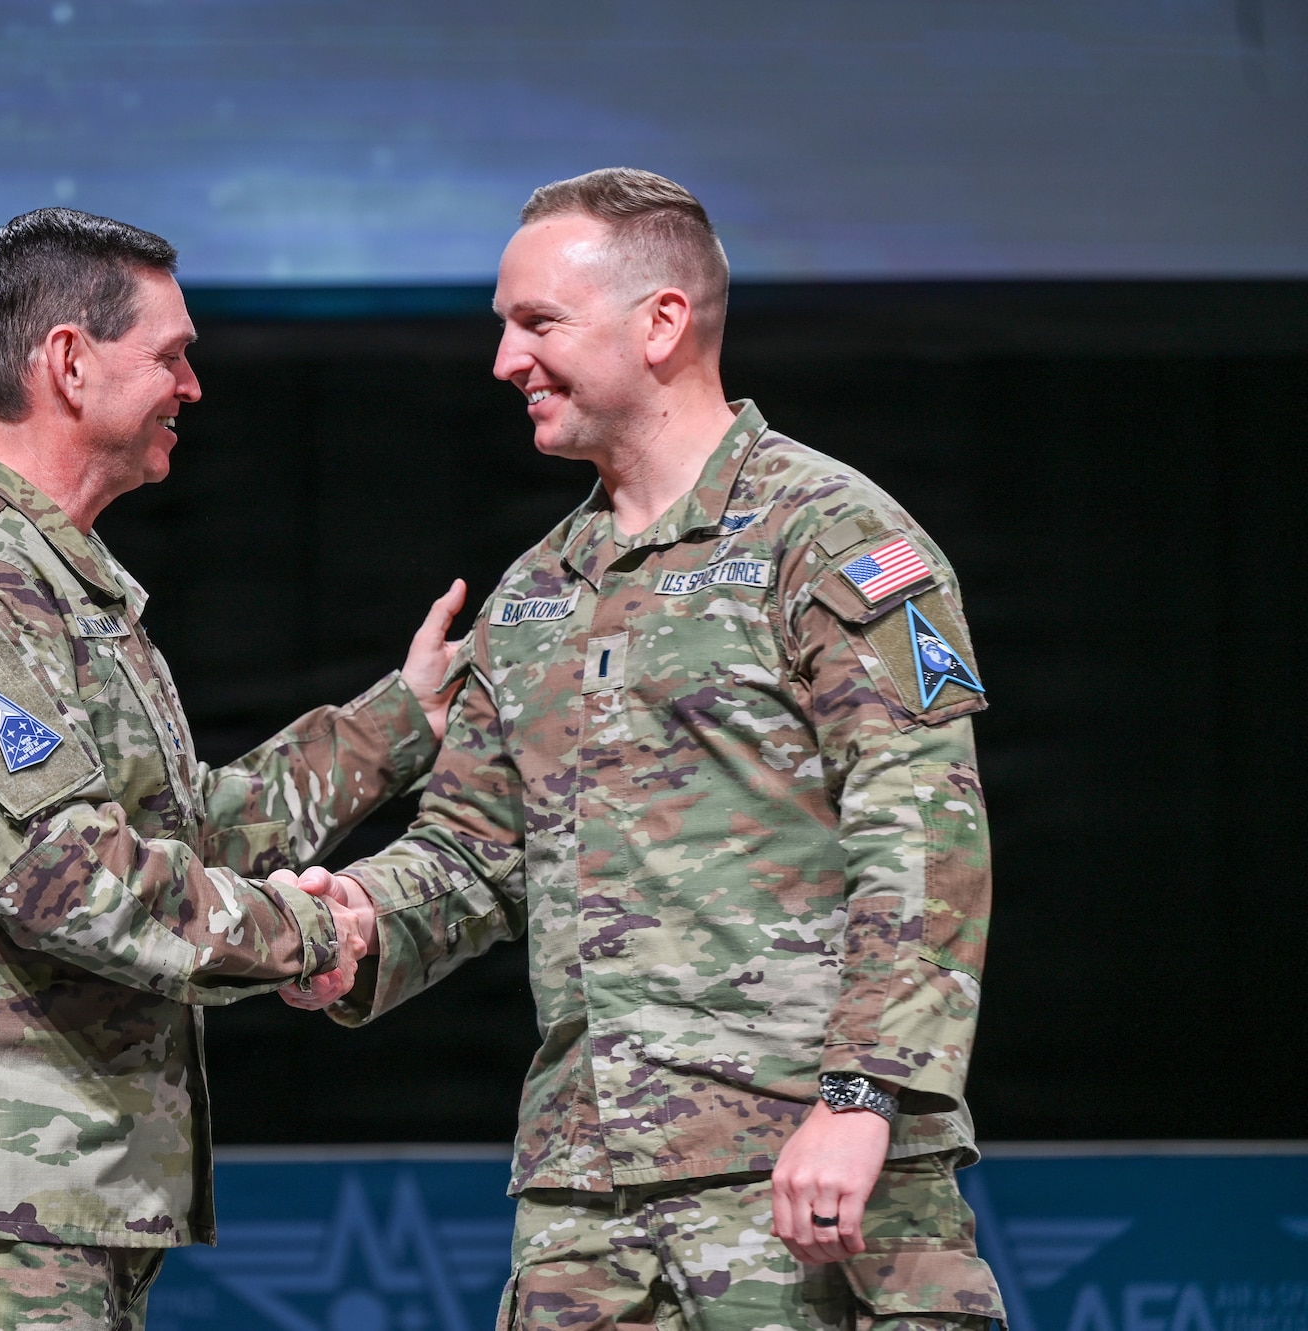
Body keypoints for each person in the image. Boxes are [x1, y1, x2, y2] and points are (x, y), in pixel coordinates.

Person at [279, 169, 1006, 1330]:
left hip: (798, 1169)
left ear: (660, 322)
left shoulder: (826, 536)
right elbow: (472, 856)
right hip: (585, 1206)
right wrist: (355, 927)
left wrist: (863, 1095)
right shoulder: (531, 595)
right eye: (503, 328)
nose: (504, 362)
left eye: (537, 324)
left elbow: (921, 833)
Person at [0, 207, 465, 1331]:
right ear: (67, 360)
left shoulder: (58, 584)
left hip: (58, 1195)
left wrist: (398, 722)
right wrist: (313, 934)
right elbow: (74, 878)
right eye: (170, 354)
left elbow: (184, 834)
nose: (192, 387)